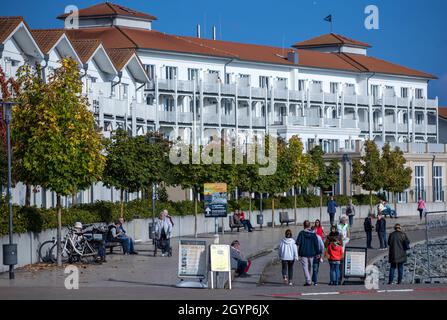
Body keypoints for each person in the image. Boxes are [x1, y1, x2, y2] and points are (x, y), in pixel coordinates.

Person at [296, 220, 322, 286]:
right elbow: (316, 244)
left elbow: (297, 243)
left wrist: (296, 253)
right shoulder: (313, 234)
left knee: (305, 267)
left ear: (304, 226)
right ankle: (309, 280)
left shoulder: (301, 233)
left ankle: (308, 280)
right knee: (310, 267)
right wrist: (318, 253)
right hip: (312, 253)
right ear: (309, 226)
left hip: (303, 252)